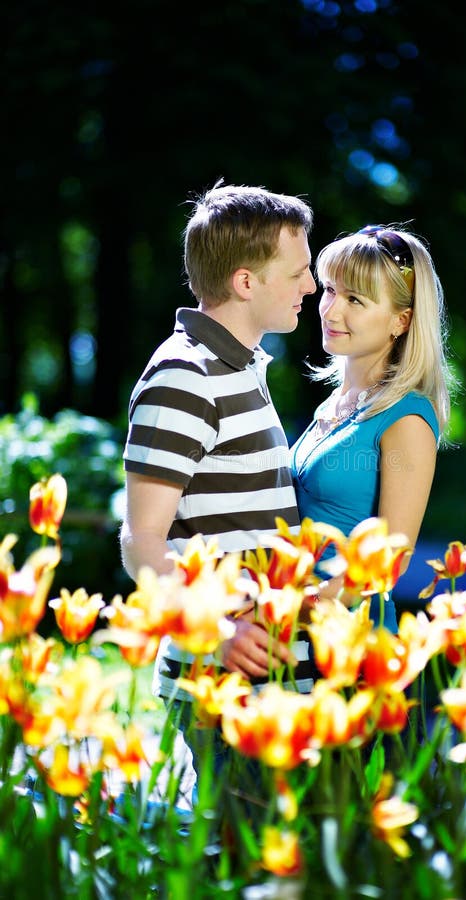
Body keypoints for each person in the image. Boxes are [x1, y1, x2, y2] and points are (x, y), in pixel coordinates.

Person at [120, 181, 317, 711]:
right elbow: (141, 542)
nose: (313, 285)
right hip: (222, 690)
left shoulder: (242, 367)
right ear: (246, 281)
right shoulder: (184, 376)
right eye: (298, 272)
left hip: (270, 688)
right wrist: (217, 632)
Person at [290, 224, 453, 632]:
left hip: (353, 644)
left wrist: (291, 610)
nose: (331, 310)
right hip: (299, 641)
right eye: (329, 290)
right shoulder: (332, 403)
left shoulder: (407, 418)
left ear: (401, 320)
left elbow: (388, 564)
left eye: (355, 300)